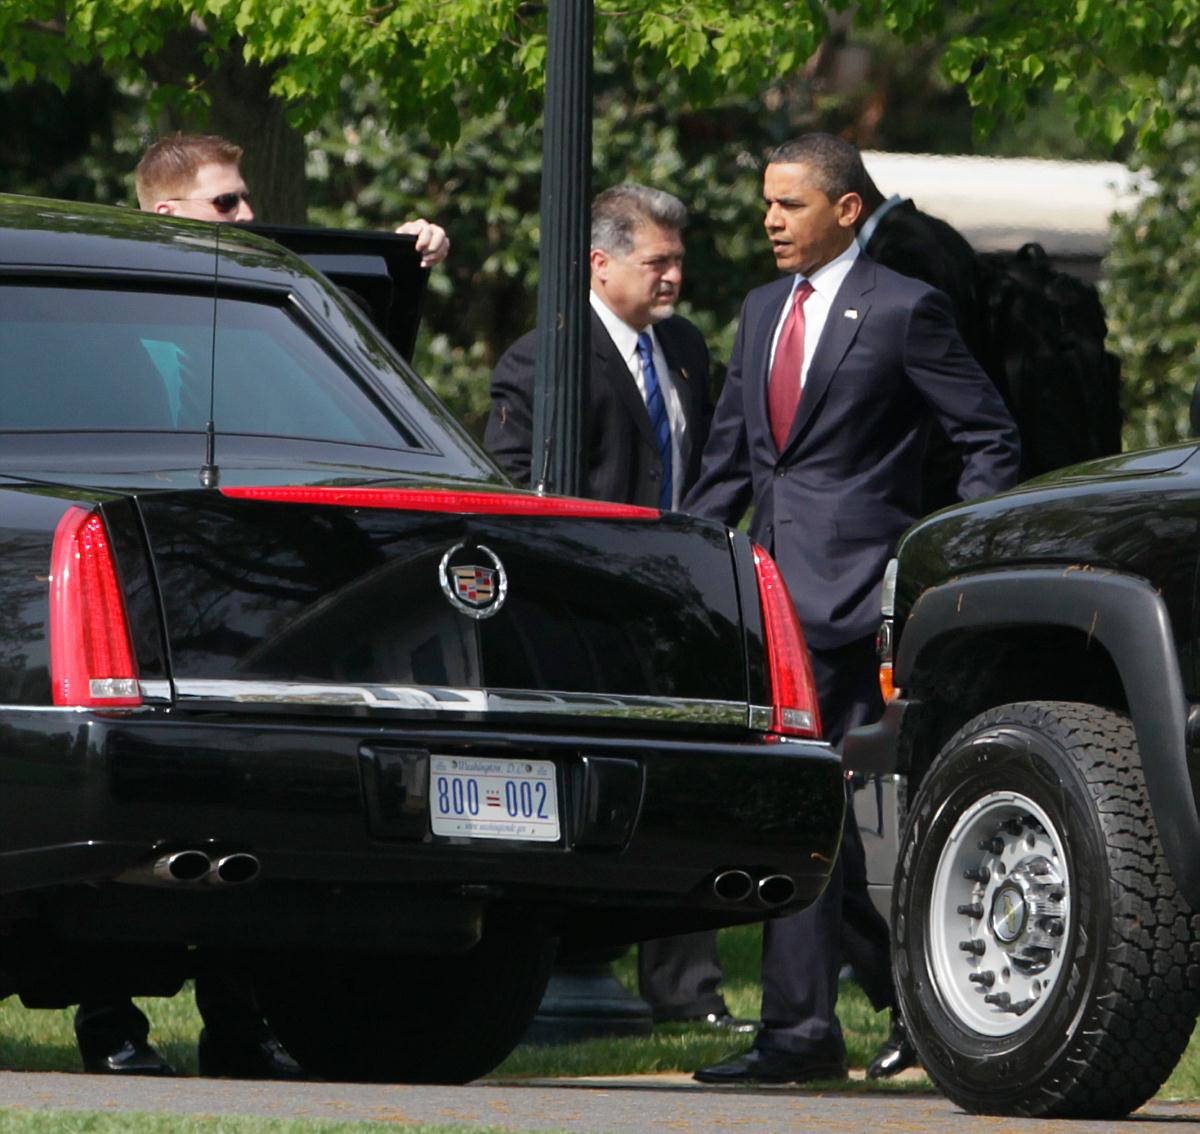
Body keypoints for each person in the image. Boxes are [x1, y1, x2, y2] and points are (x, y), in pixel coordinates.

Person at [75, 133, 450, 1080]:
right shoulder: (95, 307)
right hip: (133, 585)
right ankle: (109, 1019)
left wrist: (403, 269)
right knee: (129, 819)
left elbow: (345, 390)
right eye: (228, 203)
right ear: (168, 214)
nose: (248, 216)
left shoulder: (246, 309)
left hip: (242, 592)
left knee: (245, 813)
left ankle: (238, 1022)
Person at [687, 134, 1020, 1085]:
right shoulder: (761, 310)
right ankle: (897, 1007)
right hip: (769, 602)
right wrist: (686, 563)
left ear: (845, 210)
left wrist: (933, 562)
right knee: (803, 811)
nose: (770, 221)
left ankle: (803, 1032)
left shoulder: (906, 309)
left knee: (815, 811)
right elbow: (731, 461)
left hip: (857, 602)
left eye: (789, 204)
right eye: (766, 203)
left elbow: (989, 438)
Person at [486, 185, 750, 1031]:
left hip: (679, 600)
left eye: (678, 261)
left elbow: (706, 464)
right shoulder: (546, 356)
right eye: (657, 262)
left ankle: (688, 993)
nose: (673, 277)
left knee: (687, 789)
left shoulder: (684, 349)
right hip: (584, 609)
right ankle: (560, 970)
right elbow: (511, 477)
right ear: (599, 264)